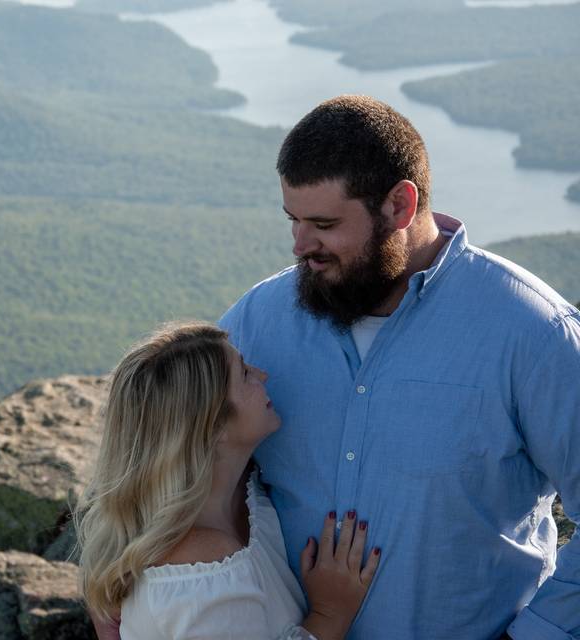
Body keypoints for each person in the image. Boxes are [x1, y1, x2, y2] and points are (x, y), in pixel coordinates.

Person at [219, 95, 580, 638]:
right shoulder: (257, 321)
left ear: (400, 206)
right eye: (293, 220)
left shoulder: (533, 332)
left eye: (323, 223)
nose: (300, 246)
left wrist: (538, 635)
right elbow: (171, 461)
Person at [75, 322, 380, 640]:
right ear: (212, 427)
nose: (263, 374)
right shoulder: (202, 571)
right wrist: (329, 613)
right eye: (245, 374)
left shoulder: (239, 491)